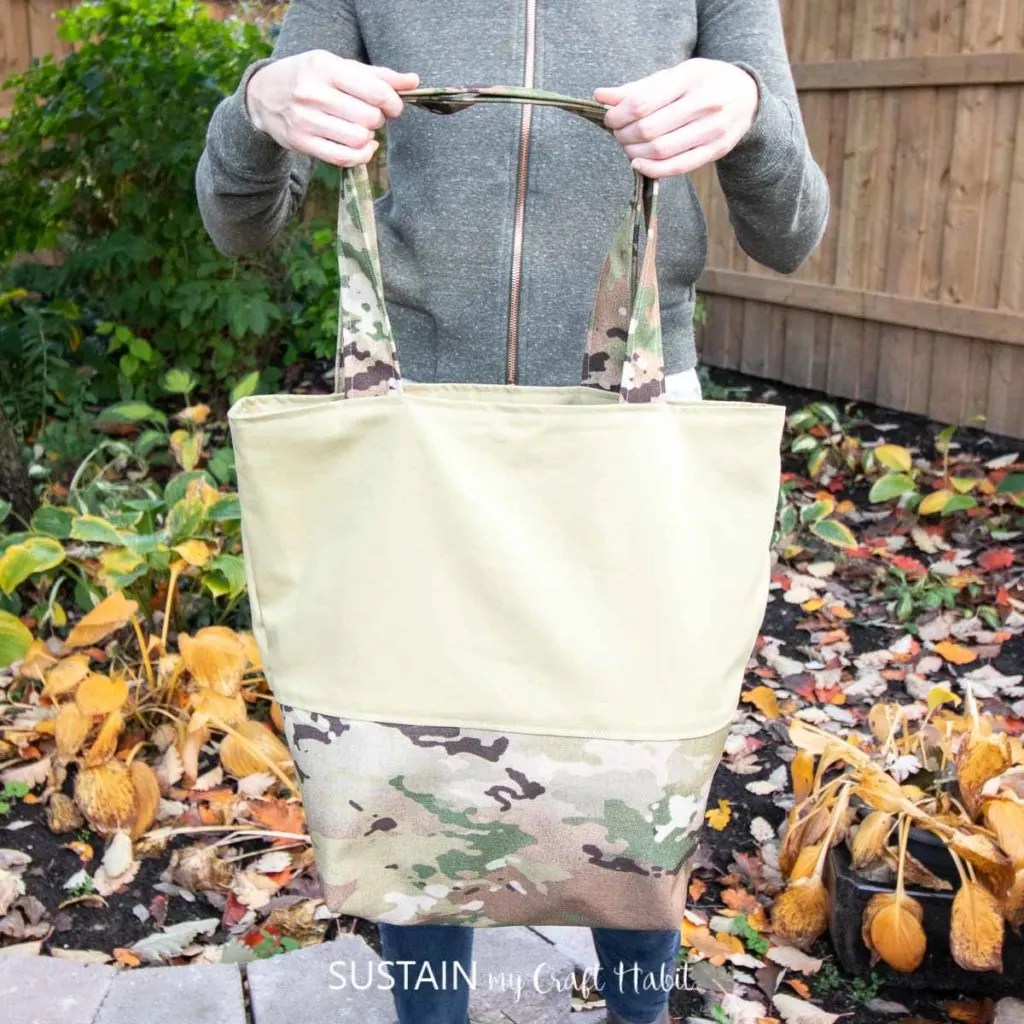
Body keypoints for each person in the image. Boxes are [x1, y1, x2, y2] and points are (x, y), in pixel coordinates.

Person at [196, 3, 828, 1022]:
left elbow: (791, 230)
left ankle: (636, 1014)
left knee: (637, 779)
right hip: (412, 428)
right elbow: (242, 225)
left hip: (636, 426)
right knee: (406, 778)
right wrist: (256, 106)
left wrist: (746, 106)